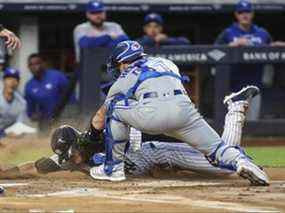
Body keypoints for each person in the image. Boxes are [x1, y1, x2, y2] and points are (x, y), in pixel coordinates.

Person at [75, 40, 269, 186]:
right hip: (185, 112)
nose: (119, 70)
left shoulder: (127, 75)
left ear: (124, 62)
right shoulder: (167, 63)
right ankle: (242, 162)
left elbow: (101, 116)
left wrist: (91, 136)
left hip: (152, 118)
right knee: (216, 149)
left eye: (119, 65)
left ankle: (113, 168)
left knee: (114, 109)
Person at [0, 88, 256, 179]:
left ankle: (235, 107)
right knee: (227, 167)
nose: (73, 159)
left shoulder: (98, 136)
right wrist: (6, 173)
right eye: (68, 156)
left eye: (73, 152)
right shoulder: (67, 159)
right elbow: (31, 167)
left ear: (79, 143)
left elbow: (132, 132)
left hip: (158, 153)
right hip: (151, 163)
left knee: (226, 167)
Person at [215, 0, 272, 120]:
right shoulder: (228, 33)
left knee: (252, 124)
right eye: (241, 12)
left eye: (247, 12)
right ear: (236, 14)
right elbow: (213, 53)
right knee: (234, 124)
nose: (244, 15)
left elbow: (271, 54)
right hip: (233, 87)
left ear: (252, 14)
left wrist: (275, 46)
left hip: (255, 86)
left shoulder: (262, 33)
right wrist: (231, 46)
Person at [25, 53, 70, 121]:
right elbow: (31, 112)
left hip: (64, 118)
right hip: (45, 123)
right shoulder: (29, 86)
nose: (34, 67)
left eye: (37, 63)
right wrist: (36, 116)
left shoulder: (57, 76)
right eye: (31, 64)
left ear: (43, 64)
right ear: (28, 67)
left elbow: (71, 96)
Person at [0, 68, 28, 137]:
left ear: (18, 83)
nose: (12, 82)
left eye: (15, 79)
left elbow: (20, 125)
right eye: (9, 79)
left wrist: (18, 132)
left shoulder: (22, 102)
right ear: (3, 81)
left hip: (10, 137)